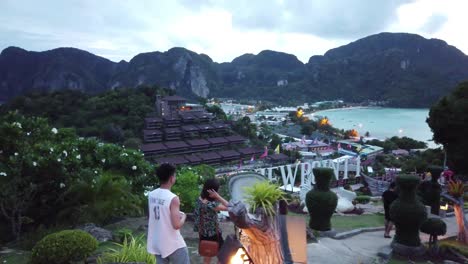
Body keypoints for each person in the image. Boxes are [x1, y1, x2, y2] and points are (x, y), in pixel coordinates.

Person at [147, 163, 189, 264]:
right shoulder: (173, 198)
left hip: (158, 243)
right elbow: (176, 225)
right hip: (173, 245)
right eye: (174, 175)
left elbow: (153, 216)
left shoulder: (151, 195)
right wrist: (183, 217)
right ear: (171, 178)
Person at [194, 178, 229, 264]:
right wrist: (218, 196)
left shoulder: (199, 199)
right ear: (213, 191)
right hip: (213, 234)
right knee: (223, 255)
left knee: (207, 254)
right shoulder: (211, 205)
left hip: (203, 233)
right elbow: (230, 206)